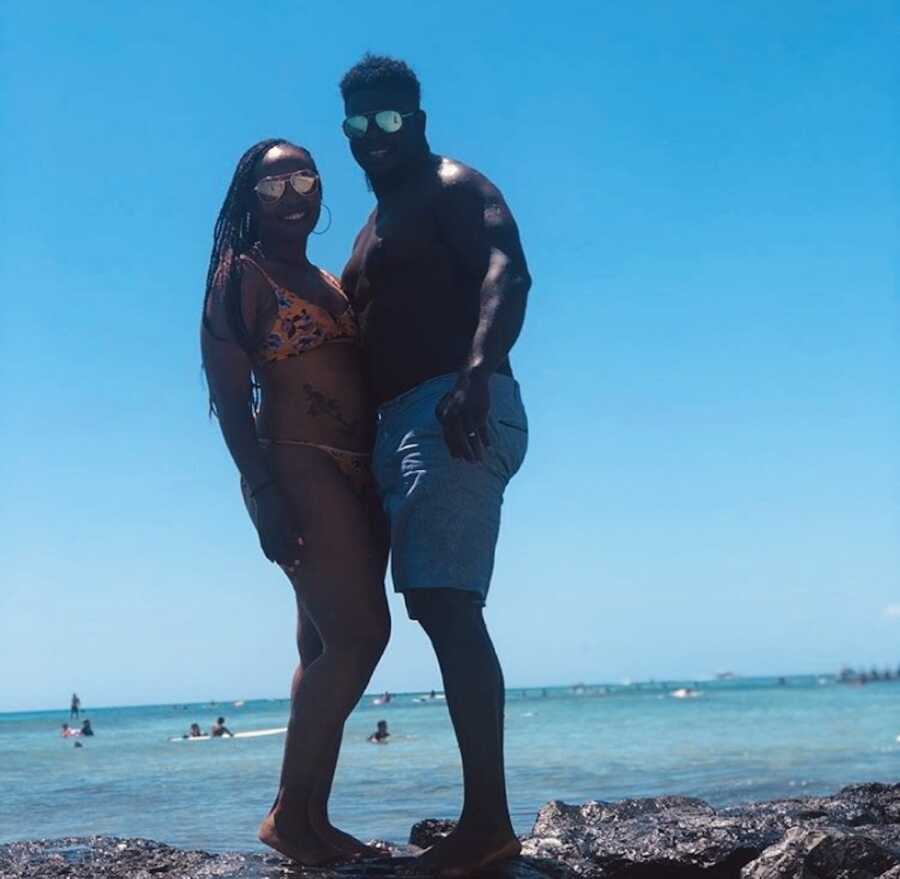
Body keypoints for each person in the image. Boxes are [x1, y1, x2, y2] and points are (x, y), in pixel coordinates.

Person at [340, 55, 530, 876]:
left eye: (388, 121)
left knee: (450, 605)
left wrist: (476, 374)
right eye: (358, 125)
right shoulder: (372, 225)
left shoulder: (455, 185)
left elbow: (506, 270)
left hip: (453, 407)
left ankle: (488, 821)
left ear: (415, 119)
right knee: (431, 604)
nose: (374, 138)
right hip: (396, 425)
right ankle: (479, 816)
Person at [201, 140, 389, 866]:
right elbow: (227, 397)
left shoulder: (326, 278)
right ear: (250, 196)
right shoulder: (240, 276)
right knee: (360, 637)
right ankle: (286, 814)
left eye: (304, 177)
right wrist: (263, 495)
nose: (293, 193)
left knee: (320, 647)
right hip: (297, 466)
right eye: (275, 181)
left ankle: (310, 816)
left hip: (357, 470)